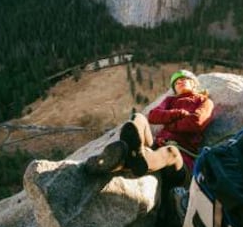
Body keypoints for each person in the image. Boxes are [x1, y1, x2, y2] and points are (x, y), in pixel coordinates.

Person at [84, 69, 214, 188]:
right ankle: (122, 155)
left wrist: (169, 124)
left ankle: (127, 159)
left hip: (180, 162)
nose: (180, 82)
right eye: (176, 82)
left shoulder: (204, 101)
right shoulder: (170, 100)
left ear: (194, 84)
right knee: (139, 118)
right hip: (156, 147)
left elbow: (197, 122)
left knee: (171, 151)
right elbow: (153, 116)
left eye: (184, 79)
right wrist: (178, 113)